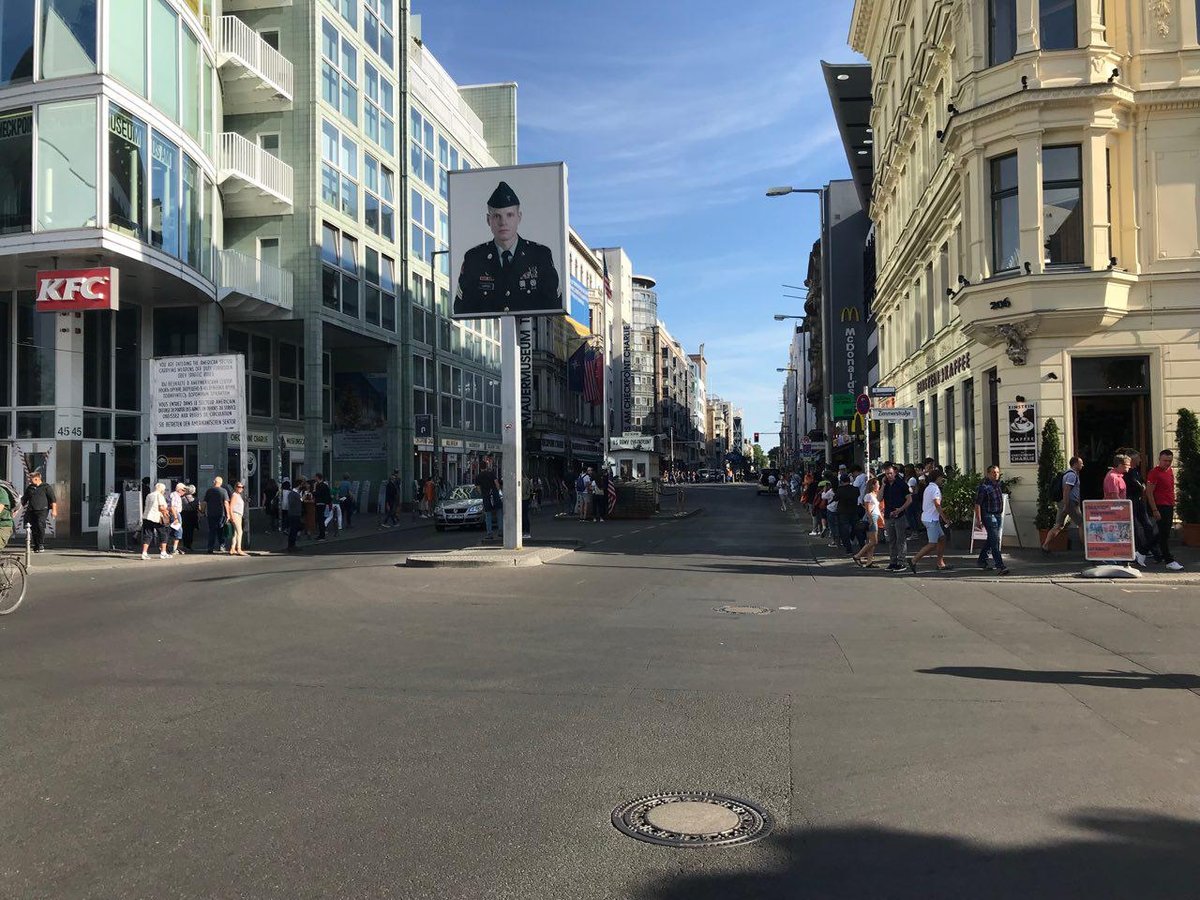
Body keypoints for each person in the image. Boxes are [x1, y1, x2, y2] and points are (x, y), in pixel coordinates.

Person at [454, 181, 562, 316]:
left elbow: (555, 306)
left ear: (519, 217)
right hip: (491, 335)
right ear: (488, 220)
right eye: (497, 216)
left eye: (509, 215)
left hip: (529, 333)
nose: (503, 222)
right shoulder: (475, 258)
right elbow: (461, 310)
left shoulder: (540, 255)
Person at [1146, 449, 1183, 571]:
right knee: (1164, 534)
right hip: (1160, 506)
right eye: (1165, 461)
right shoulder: (1154, 473)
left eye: (1169, 461)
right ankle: (1169, 560)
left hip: (1169, 504)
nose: (1167, 463)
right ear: (1159, 460)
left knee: (1163, 533)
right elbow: (1149, 492)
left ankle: (1141, 551)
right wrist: (1155, 509)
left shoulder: (1170, 471)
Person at [910, 467, 950, 573]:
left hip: (930, 517)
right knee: (932, 543)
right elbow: (937, 504)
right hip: (931, 519)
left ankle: (940, 563)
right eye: (941, 478)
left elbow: (933, 504)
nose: (942, 480)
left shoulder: (929, 487)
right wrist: (945, 518)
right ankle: (914, 560)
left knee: (942, 538)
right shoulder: (935, 489)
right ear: (937, 478)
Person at [1041, 456, 1085, 553]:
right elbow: (1066, 489)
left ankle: (1045, 545)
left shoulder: (1067, 473)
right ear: (1075, 463)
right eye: (1081, 463)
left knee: (1059, 525)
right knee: (1082, 524)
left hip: (1064, 503)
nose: (1082, 465)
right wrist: (1066, 504)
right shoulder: (1072, 475)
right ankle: (1085, 548)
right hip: (1071, 503)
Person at [974, 465, 1009, 575]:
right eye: (993, 472)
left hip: (997, 515)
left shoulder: (998, 485)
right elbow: (977, 504)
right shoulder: (984, 487)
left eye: (997, 472)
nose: (996, 474)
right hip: (989, 516)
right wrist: (979, 520)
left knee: (991, 539)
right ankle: (1000, 565)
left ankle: (981, 559)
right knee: (995, 541)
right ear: (988, 474)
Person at [881, 465, 912, 571]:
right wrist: (883, 485)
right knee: (891, 540)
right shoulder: (886, 485)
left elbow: (909, 499)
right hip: (888, 515)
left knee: (901, 539)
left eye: (890, 473)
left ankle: (901, 561)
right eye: (887, 474)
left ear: (895, 473)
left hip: (899, 515)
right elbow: (879, 498)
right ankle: (893, 561)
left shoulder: (901, 484)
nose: (889, 475)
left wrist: (900, 509)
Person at [20, 470, 57, 553]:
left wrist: (54, 510)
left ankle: (41, 544)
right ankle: (36, 545)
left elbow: (53, 499)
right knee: (33, 527)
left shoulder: (46, 487)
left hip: (42, 510)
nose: (29, 481)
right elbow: (24, 500)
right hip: (31, 510)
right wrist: (16, 509)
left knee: (40, 524)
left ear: (37, 479)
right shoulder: (30, 488)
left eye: (31, 479)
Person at [853, 477, 882, 568]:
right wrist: (870, 520)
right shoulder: (868, 495)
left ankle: (869, 561)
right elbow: (868, 509)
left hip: (875, 516)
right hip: (872, 518)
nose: (879, 486)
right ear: (873, 485)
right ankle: (858, 555)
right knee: (874, 541)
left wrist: (881, 518)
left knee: (871, 541)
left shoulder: (875, 495)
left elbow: (877, 509)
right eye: (877, 484)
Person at [140, 482, 169, 560]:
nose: (164, 491)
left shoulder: (149, 495)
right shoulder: (160, 496)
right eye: (164, 489)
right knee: (163, 534)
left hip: (147, 517)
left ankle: (144, 553)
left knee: (148, 535)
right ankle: (163, 552)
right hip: (157, 518)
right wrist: (167, 511)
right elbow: (161, 507)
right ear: (162, 489)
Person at [203, 476, 230, 554]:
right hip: (221, 514)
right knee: (220, 530)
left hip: (211, 514)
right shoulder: (224, 491)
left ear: (214, 482)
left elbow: (204, 502)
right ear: (221, 483)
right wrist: (228, 514)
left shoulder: (209, 491)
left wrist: (202, 511)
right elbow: (226, 503)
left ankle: (210, 548)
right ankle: (222, 546)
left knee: (212, 531)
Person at [833, 473, 859, 554]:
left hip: (843, 512)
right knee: (856, 527)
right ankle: (859, 544)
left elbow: (835, 498)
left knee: (844, 530)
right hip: (854, 511)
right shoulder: (855, 489)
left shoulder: (840, 490)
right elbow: (858, 495)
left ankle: (848, 548)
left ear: (841, 481)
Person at [475, 457, 500, 540]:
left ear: (480, 467)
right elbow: (497, 484)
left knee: (488, 515)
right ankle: (501, 531)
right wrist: (498, 491)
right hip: (495, 495)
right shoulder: (492, 473)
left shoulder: (478, 477)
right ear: (486, 466)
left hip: (486, 496)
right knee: (499, 512)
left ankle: (489, 533)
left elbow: (478, 489)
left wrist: (482, 494)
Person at [283, 480, 303, 552]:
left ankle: (292, 545)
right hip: (294, 514)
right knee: (293, 530)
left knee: (295, 529)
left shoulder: (295, 493)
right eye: (301, 485)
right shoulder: (293, 493)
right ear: (299, 485)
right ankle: (291, 545)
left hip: (295, 513)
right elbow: (291, 503)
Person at [167, 482, 186, 556]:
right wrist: (175, 518)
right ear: (179, 490)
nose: (184, 492)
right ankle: (174, 549)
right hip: (175, 514)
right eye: (184, 490)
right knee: (178, 531)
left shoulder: (174, 495)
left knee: (172, 531)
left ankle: (171, 547)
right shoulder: (175, 496)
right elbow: (173, 507)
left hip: (174, 513)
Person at [228, 480, 247, 556]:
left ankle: (232, 548)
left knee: (236, 533)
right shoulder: (235, 495)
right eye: (239, 487)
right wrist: (231, 516)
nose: (241, 488)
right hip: (235, 515)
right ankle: (239, 549)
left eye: (242, 487)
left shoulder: (238, 495)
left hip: (239, 515)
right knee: (240, 531)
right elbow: (231, 506)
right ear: (235, 487)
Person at [313, 473, 332, 541]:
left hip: (319, 503)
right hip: (324, 503)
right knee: (321, 519)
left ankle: (322, 535)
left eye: (315, 477)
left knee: (320, 519)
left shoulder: (319, 485)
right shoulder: (325, 485)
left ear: (318, 477)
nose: (314, 478)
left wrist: (314, 488)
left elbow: (316, 494)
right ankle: (322, 534)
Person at [181, 485, 199, 551]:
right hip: (193, 516)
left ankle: (185, 544)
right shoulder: (196, 499)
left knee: (185, 530)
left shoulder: (182, 498)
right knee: (191, 531)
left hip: (184, 515)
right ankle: (189, 545)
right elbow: (198, 508)